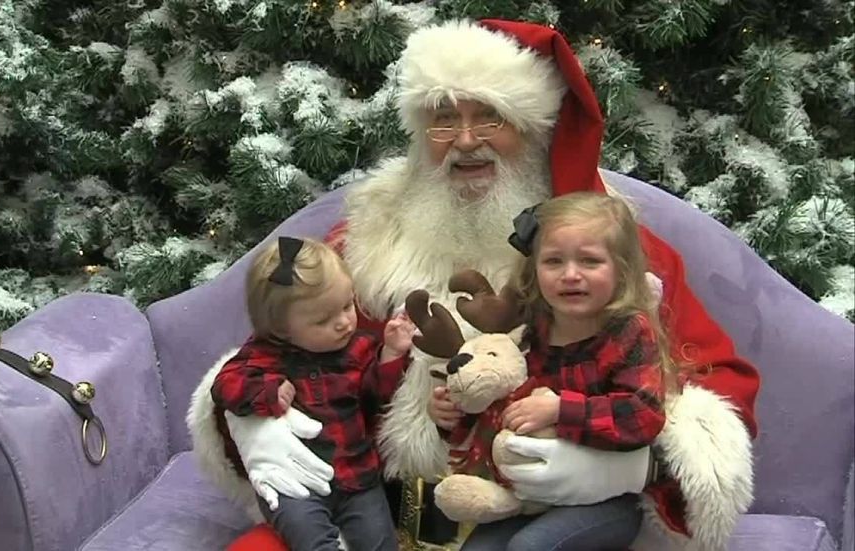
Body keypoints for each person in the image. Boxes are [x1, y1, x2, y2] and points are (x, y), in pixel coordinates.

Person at [188, 18, 760, 551]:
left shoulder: (609, 252)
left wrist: (635, 467)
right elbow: (280, 345)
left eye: (490, 118)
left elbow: (716, 381)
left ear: (533, 129)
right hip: (375, 511)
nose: (464, 141)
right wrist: (250, 421)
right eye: (443, 119)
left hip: (546, 519)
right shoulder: (367, 240)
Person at [433, 192, 677, 551]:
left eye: (590, 261)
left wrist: (562, 409)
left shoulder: (628, 331)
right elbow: (501, 408)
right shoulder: (533, 332)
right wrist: (451, 415)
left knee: (531, 547)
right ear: (534, 270)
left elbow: (643, 416)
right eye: (553, 261)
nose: (571, 275)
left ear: (622, 269)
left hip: (608, 497)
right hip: (533, 494)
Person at [210, 236, 415, 551]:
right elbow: (224, 386)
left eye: (347, 306)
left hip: (358, 478)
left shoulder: (360, 347)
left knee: (380, 543)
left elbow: (377, 398)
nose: (344, 323)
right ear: (281, 329)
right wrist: (267, 391)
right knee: (312, 540)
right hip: (297, 488)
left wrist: (390, 354)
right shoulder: (264, 355)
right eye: (323, 320)